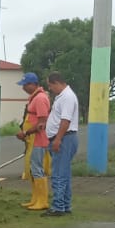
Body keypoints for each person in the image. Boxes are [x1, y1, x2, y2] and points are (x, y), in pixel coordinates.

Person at [45, 71, 79, 216]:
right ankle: (65, 205)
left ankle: (58, 207)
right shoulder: (63, 96)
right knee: (63, 174)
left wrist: (58, 139)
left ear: (57, 83)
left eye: (50, 85)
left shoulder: (67, 97)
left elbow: (66, 120)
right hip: (63, 138)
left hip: (64, 139)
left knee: (58, 175)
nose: (50, 89)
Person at [16, 73, 51, 211]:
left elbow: (42, 123)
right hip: (32, 140)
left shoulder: (40, 98)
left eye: (25, 85)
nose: (23, 88)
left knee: (37, 170)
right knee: (32, 170)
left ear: (33, 84)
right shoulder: (34, 98)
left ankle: (42, 201)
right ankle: (35, 199)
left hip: (38, 140)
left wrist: (26, 132)